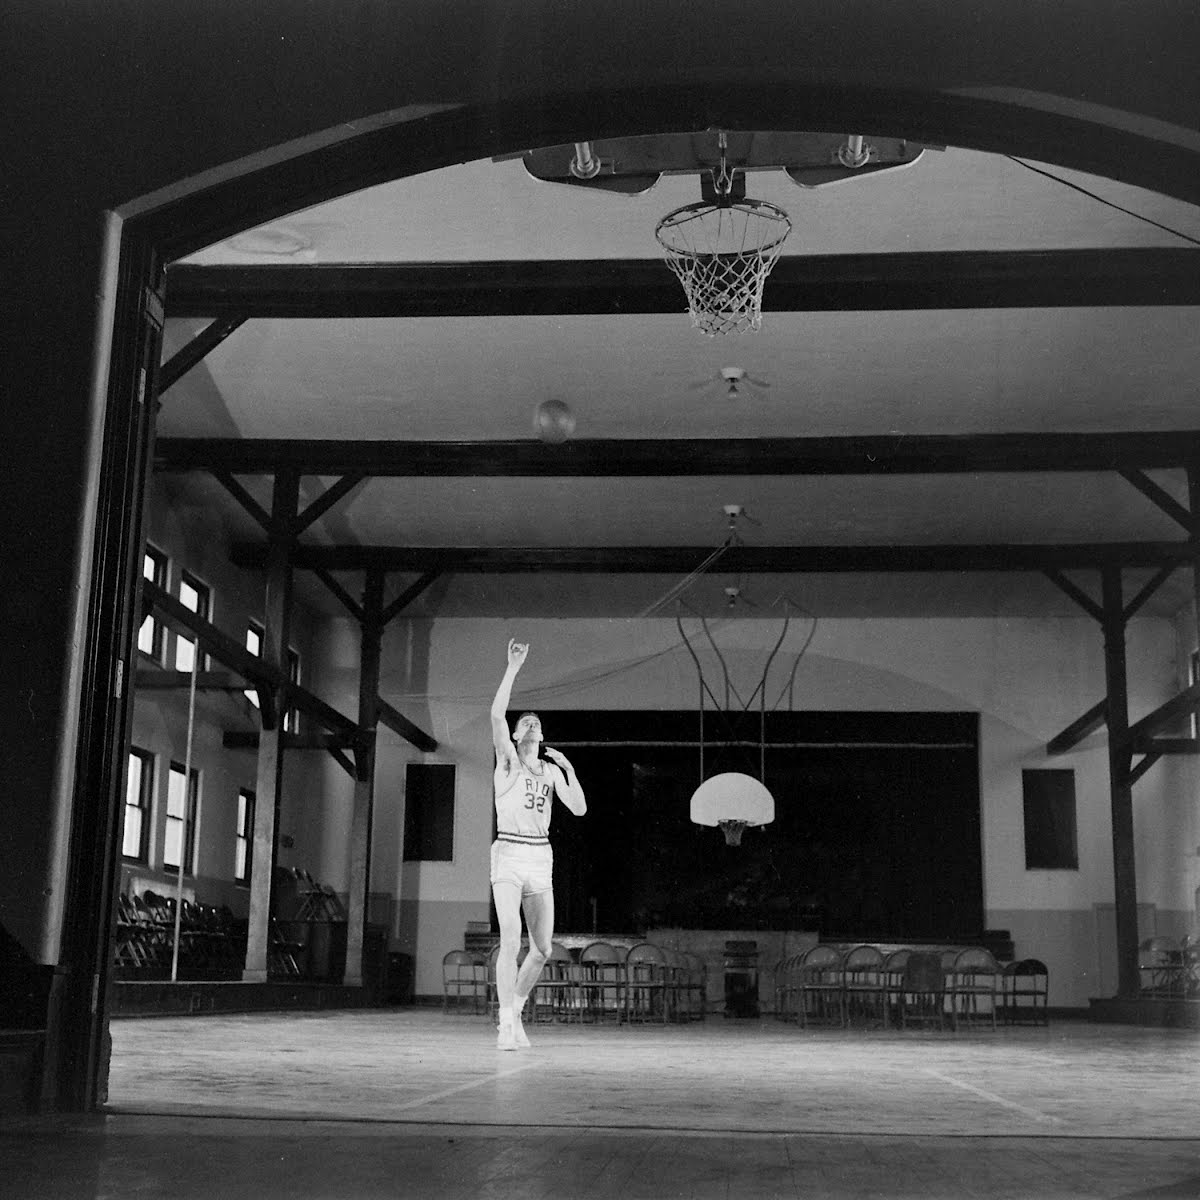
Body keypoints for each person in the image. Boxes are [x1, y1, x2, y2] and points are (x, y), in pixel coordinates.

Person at [489, 638, 586, 1050]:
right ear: (515, 733)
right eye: (524, 721)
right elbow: (495, 713)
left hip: (539, 855)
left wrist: (569, 770)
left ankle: (516, 1010)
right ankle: (505, 1022)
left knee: (543, 947)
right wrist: (513, 667)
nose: (531, 724)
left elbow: (579, 809)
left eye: (536, 722)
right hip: (509, 852)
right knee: (511, 938)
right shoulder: (507, 760)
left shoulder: (549, 770)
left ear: (542, 735)